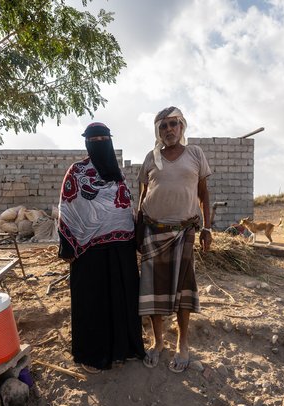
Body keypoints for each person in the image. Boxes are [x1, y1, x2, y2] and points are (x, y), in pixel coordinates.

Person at [58, 122, 145, 373]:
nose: (98, 143)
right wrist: (68, 246)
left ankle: (125, 349)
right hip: (89, 250)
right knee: (93, 301)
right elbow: (68, 207)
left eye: (103, 139)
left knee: (122, 298)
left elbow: (125, 206)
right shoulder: (76, 171)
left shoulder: (119, 174)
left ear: (110, 141)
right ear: (86, 143)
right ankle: (93, 354)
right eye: (92, 140)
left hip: (121, 248)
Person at [137, 107, 212, 373]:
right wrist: (137, 232)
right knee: (152, 289)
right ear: (157, 132)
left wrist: (207, 228)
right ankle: (157, 342)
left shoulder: (195, 154)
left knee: (182, 289)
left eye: (173, 124)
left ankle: (182, 342)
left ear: (182, 127)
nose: (168, 130)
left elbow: (203, 193)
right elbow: (143, 195)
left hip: (184, 232)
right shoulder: (151, 157)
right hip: (152, 231)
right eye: (163, 126)